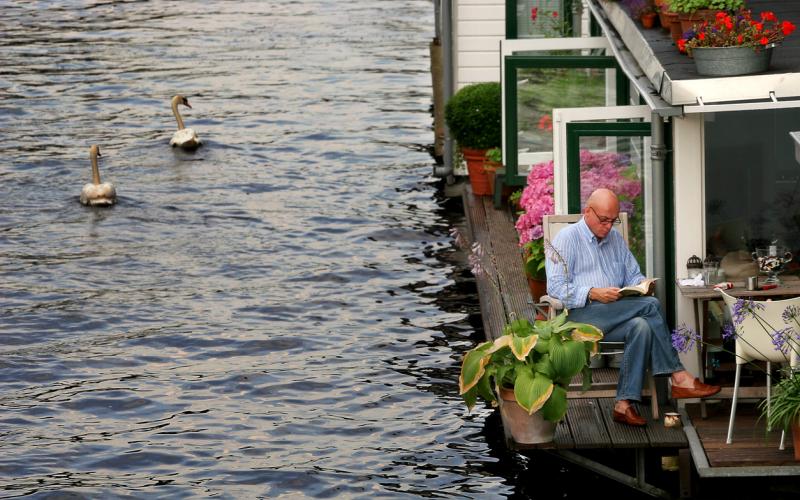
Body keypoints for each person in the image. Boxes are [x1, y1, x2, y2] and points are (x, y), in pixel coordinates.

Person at [544, 188, 720, 426]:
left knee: (641, 326)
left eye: (613, 220)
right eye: (603, 220)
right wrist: (593, 292)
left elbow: (633, 275)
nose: (608, 227)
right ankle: (678, 376)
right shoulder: (567, 238)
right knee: (650, 307)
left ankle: (623, 404)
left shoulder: (614, 238)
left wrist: (641, 286)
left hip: (615, 314)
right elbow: (555, 288)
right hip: (580, 317)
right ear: (587, 212)